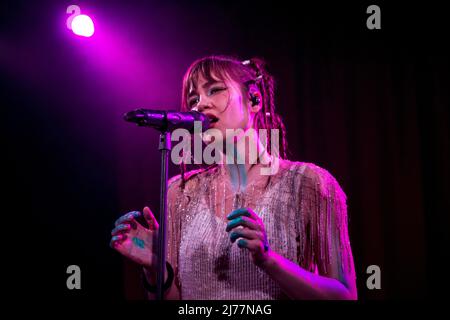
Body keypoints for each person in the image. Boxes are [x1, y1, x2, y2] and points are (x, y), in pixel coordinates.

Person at [110, 55, 357, 300]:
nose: (200, 105)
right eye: (193, 99)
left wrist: (269, 261)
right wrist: (156, 271)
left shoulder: (309, 183)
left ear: (254, 99)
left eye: (214, 90)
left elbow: (345, 296)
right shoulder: (180, 191)